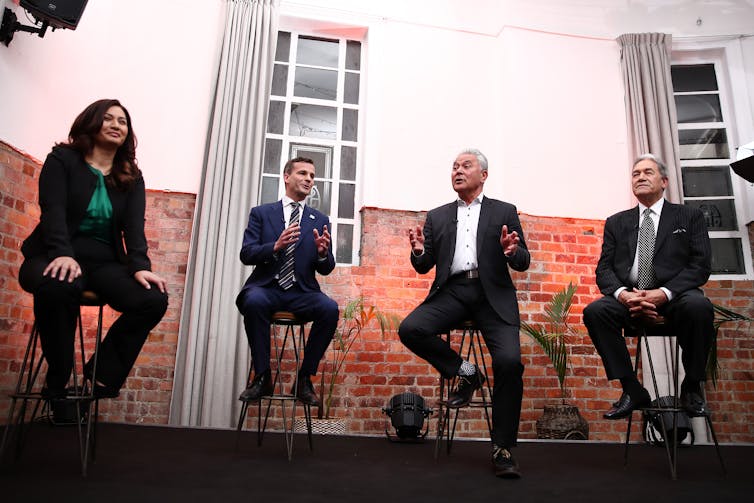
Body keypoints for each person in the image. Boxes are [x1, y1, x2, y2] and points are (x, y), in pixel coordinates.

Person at [19, 99, 169, 404]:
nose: (116, 125)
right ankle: (58, 380)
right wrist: (62, 253)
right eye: (109, 119)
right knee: (60, 286)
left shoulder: (131, 176)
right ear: (92, 122)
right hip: (51, 254)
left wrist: (139, 265)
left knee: (153, 299)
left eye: (123, 122)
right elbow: (53, 210)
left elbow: (134, 228)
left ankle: (100, 375)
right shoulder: (62, 160)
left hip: (104, 263)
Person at [398, 148, 530, 478]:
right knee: (411, 328)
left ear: (483, 175)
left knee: (510, 363)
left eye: (465, 166)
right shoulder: (438, 215)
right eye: (454, 166)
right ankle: (468, 371)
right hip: (453, 291)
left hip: (492, 294)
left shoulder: (504, 211)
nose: (457, 170)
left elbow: (523, 260)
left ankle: (502, 448)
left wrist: (512, 252)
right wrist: (418, 252)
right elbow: (424, 264)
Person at [583, 153, 714, 421]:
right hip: (630, 298)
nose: (640, 177)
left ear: (664, 181)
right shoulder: (617, 222)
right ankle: (632, 389)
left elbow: (699, 266)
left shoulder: (689, 216)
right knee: (595, 311)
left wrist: (662, 294)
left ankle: (691, 387)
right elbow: (604, 270)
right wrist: (625, 296)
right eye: (635, 173)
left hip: (675, 298)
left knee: (699, 306)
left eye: (647, 172)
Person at [236, 157, 338, 406]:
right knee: (253, 300)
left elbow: (326, 269)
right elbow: (246, 254)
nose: (308, 179)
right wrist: (275, 246)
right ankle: (262, 376)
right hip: (267, 288)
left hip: (301, 292)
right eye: (302, 173)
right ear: (286, 176)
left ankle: (304, 379)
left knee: (329, 308)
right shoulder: (261, 213)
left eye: (312, 176)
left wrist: (323, 254)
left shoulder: (320, 220)